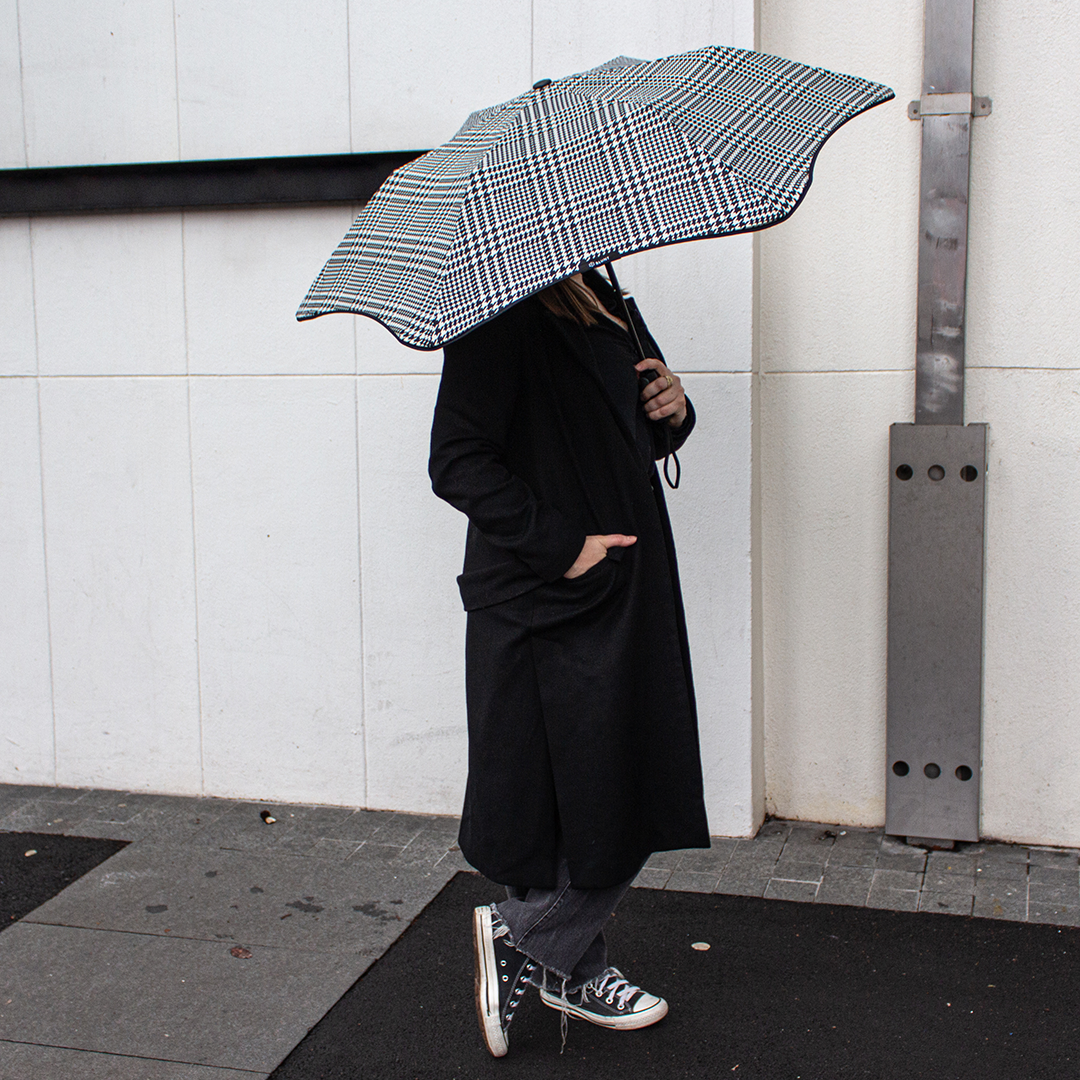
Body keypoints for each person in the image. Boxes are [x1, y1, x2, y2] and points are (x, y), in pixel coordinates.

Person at [428, 267, 709, 1057]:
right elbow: (457, 460)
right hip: (543, 600)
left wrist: (673, 409)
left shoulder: (604, 295)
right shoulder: (499, 315)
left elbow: (633, 429)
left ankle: (570, 971)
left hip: (616, 589)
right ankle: (528, 936)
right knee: (603, 786)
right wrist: (565, 548)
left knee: (594, 791)